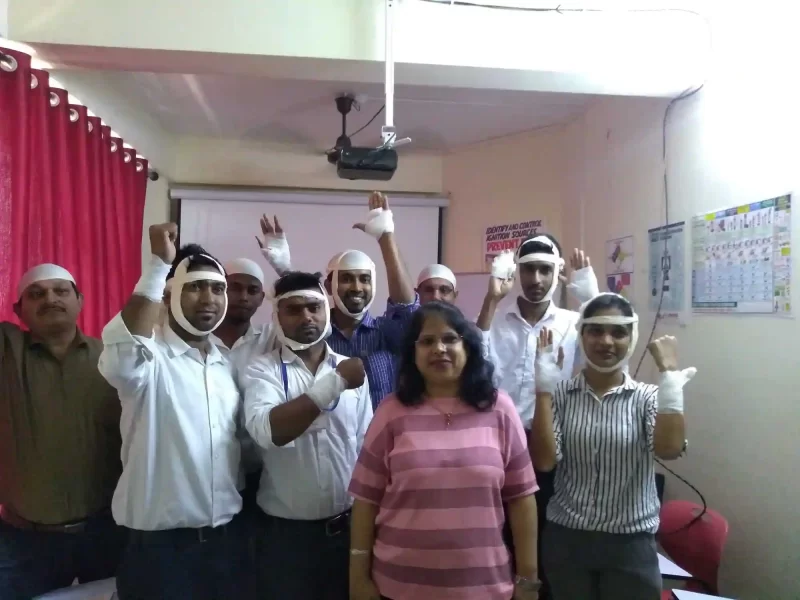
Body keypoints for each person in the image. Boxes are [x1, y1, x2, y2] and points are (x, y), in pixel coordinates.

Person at [349, 301, 541, 600]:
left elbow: (522, 499)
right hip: (398, 585)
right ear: (413, 353)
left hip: (484, 586)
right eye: (427, 341)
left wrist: (528, 578)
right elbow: (366, 501)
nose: (439, 349)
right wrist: (358, 577)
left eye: (450, 339)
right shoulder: (390, 412)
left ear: (468, 347)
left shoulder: (499, 408)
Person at [98, 224, 246, 600]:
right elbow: (124, 352)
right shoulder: (150, 358)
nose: (208, 298)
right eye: (195, 286)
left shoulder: (226, 364)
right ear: (168, 294)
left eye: (217, 288)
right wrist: (158, 265)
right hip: (160, 552)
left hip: (226, 544)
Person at [530, 293, 694, 600]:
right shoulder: (560, 395)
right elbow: (544, 461)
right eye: (595, 330)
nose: (606, 341)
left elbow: (669, 449)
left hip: (630, 543)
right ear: (582, 335)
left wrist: (670, 379)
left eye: (618, 332)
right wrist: (543, 390)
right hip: (567, 540)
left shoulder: (647, 397)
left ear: (632, 338)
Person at [477, 234, 598, 598]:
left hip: (551, 445)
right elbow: (474, 371)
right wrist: (491, 299)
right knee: (496, 536)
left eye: (545, 270)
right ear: (517, 271)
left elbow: (607, 351)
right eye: (529, 270)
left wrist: (590, 300)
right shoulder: (495, 320)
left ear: (558, 273)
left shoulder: (575, 323)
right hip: (498, 445)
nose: (536, 279)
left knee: (546, 541)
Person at [241, 270, 373, 600]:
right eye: (294, 309)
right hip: (286, 539)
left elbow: (365, 450)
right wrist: (336, 383)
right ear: (277, 316)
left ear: (326, 310)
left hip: (348, 531)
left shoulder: (350, 368)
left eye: (314, 307)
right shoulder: (262, 370)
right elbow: (269, 432)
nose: (306, 317)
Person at [0, 264, 125, 599]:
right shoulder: (7, 353)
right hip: (24, 539)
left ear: (80, 300)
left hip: (106, 531)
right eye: (36, 294)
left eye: (61, 291)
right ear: (18, 311)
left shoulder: (113, 360)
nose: (50, 299)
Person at [262, 192, 419, 409]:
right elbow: (299, 306)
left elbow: (407, 310)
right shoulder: (314, 334)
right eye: (346, 279)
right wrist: (286, 272)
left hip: (384, 430)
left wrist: (386, 236)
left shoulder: (387, 332)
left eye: (364, 279)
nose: (356, 287)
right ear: (328, 286)